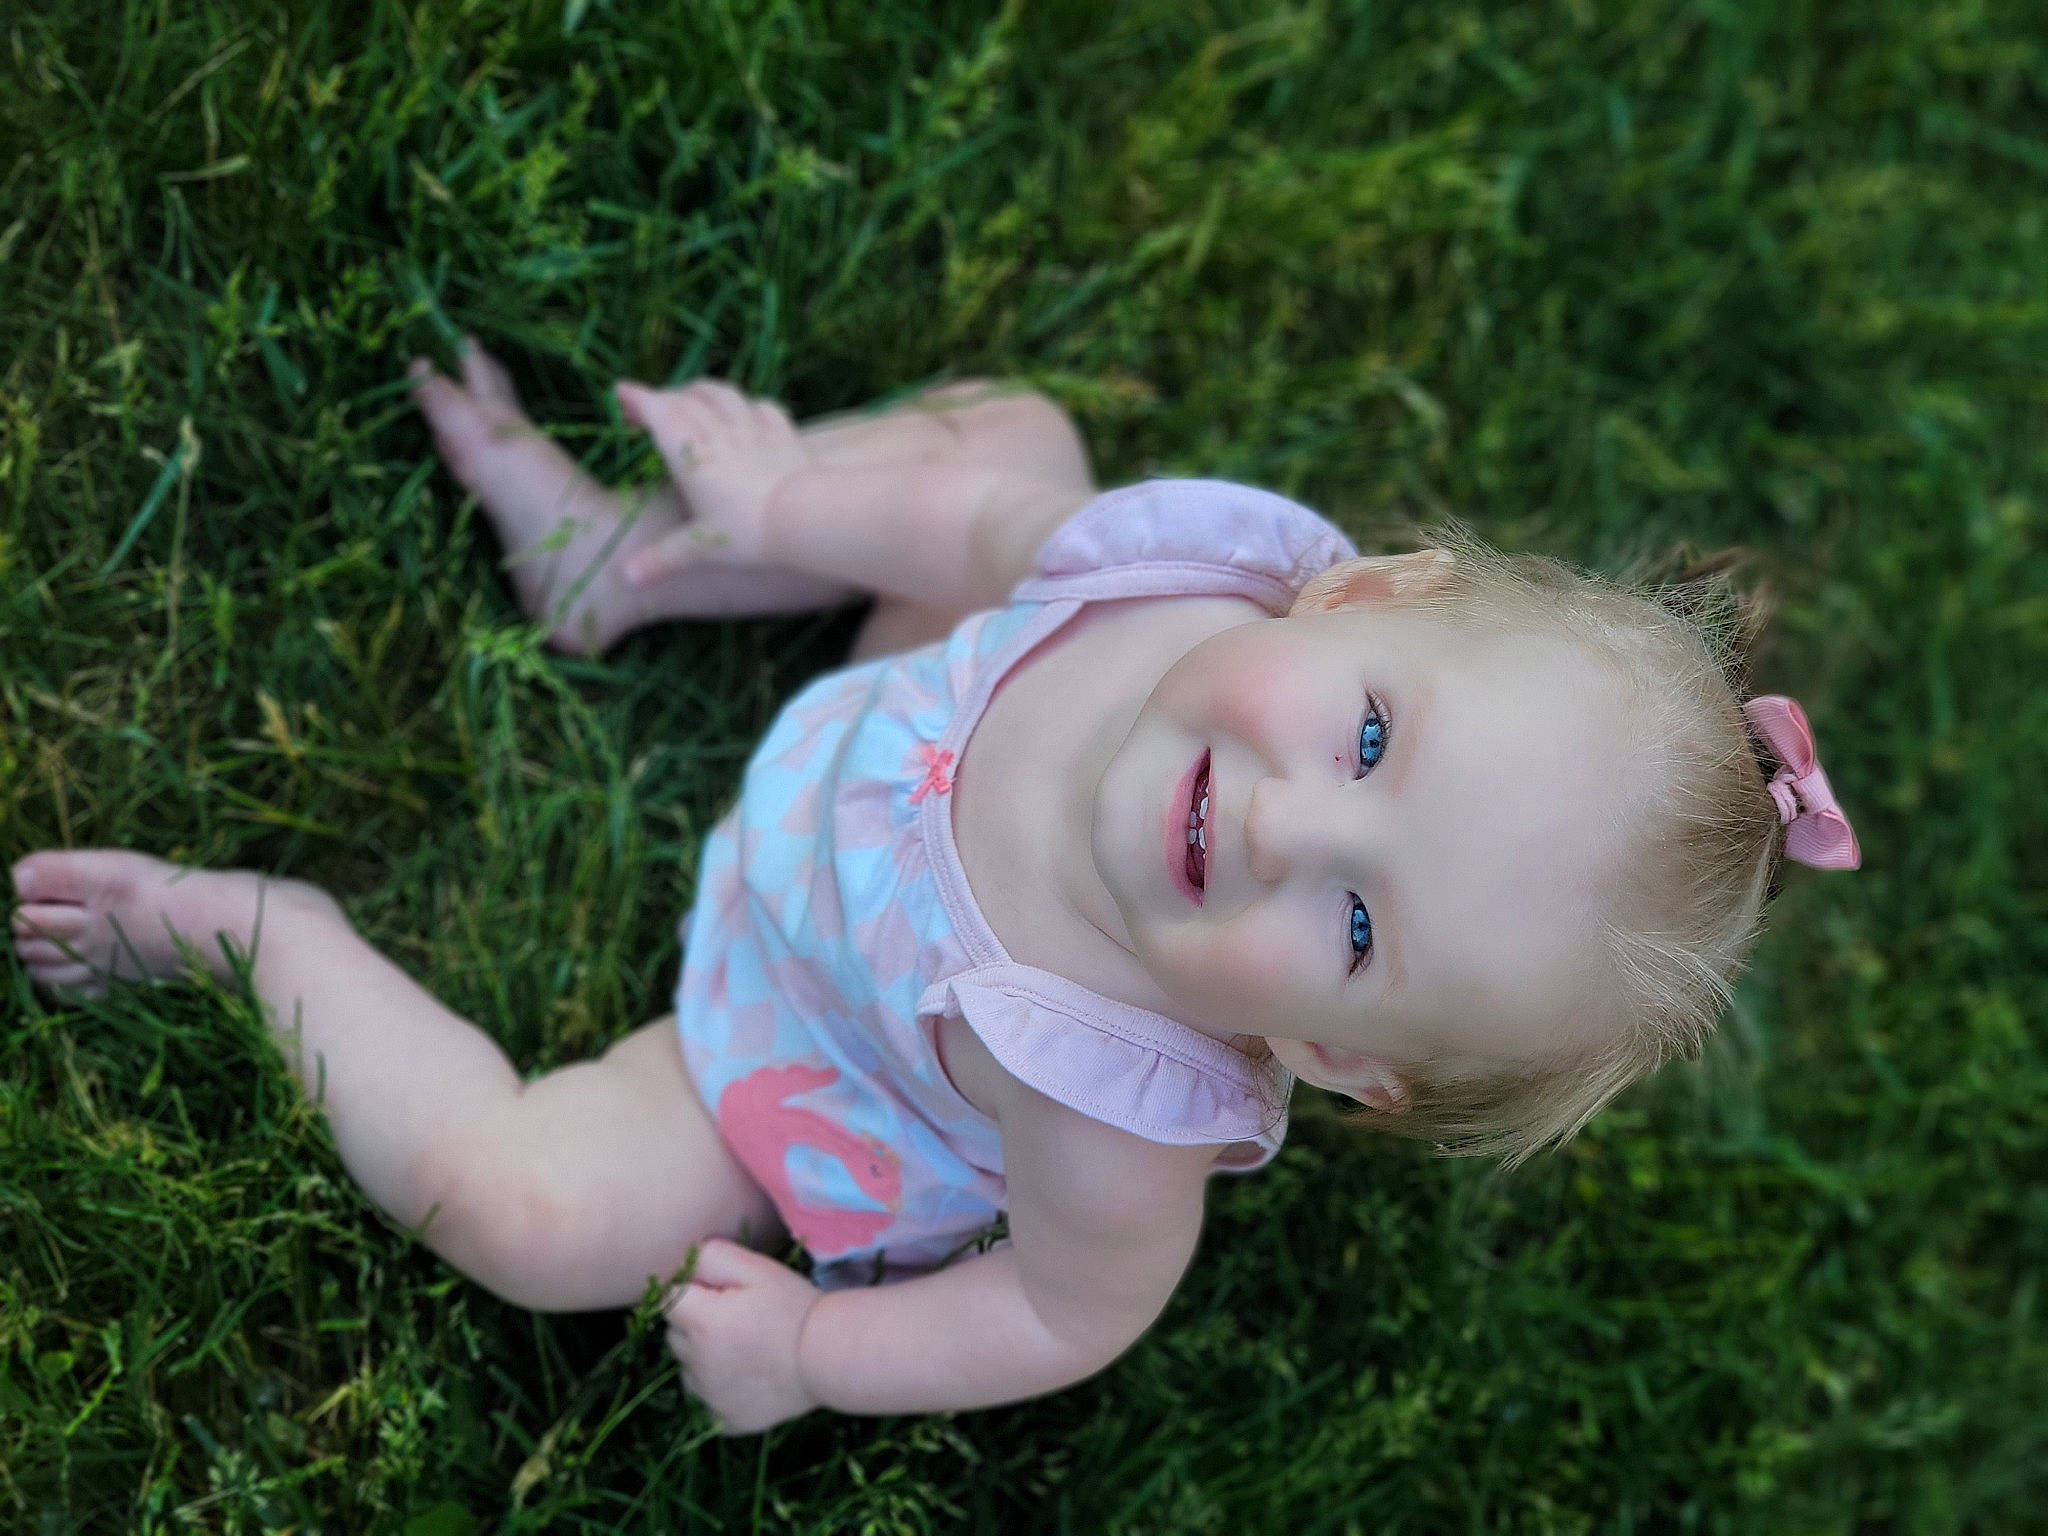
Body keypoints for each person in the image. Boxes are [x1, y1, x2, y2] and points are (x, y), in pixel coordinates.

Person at [7, 340, 1860, 1434]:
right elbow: (977, 546)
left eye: (1360, 926)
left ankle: (264, 936)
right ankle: (623, 563)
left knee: (535, 1218)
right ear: (1368, 594)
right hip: (894, 706)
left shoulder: (1118, 1104)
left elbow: (1057, 1316)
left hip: (784, 1037)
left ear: (1325, 1051)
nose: (1297, 825)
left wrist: (818, 1350)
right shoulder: (1184, 582)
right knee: (1009, 446)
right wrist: (788, 505)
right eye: (1371, 745)